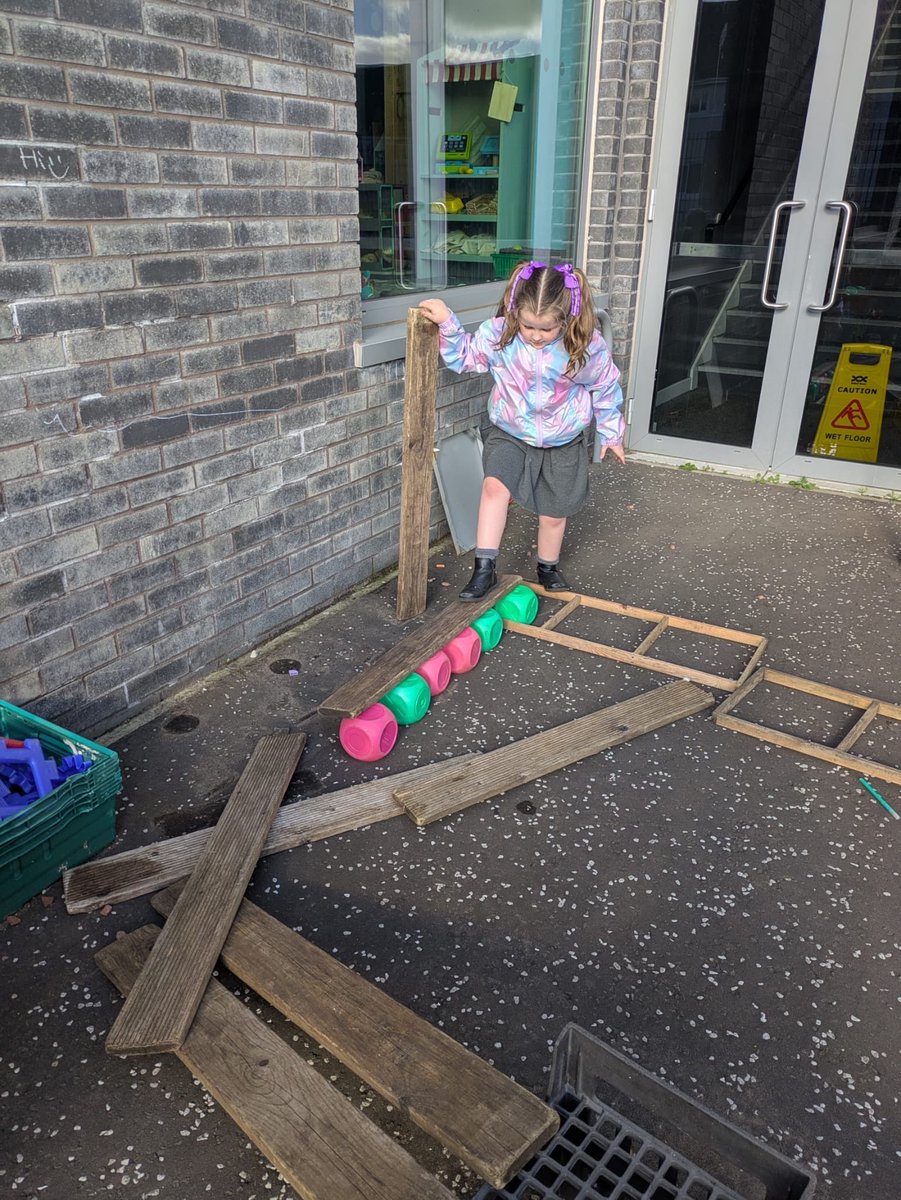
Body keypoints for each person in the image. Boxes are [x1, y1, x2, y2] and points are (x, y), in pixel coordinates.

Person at [419, 261, 625, 600]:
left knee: (554, 513)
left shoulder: (583, 345)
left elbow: (604, 386)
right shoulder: (500, 335)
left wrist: (612, 433)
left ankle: (548, 566)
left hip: (562, 438)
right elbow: (466, 357)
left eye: (547, 328)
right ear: (515, 310)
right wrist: (447, 322)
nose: (535, 335)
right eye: (528, 325)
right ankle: (483, 568)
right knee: (494, 489)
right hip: (510, 431)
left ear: (566, 318)